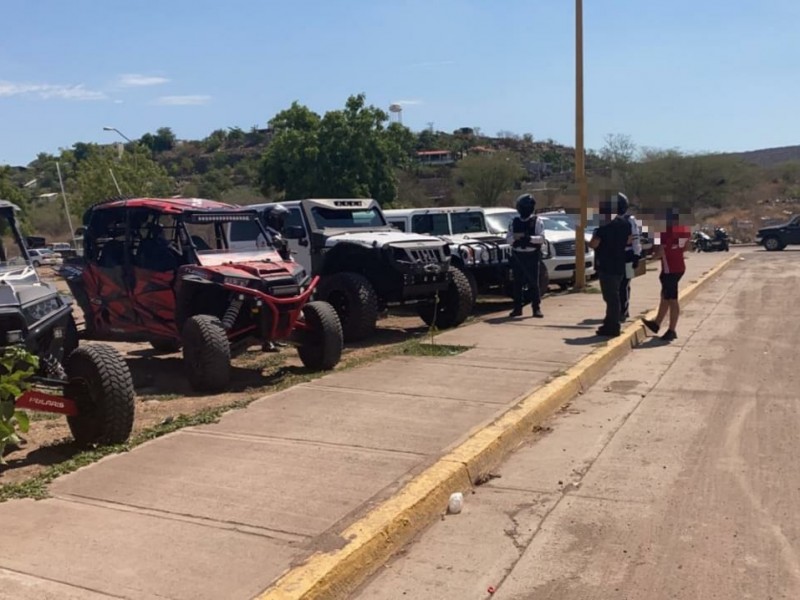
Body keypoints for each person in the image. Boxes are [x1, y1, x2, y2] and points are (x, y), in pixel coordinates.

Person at [641, 207, 691, 342]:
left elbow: (659, 251)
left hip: (669, 269)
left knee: (672, 299)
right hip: (679, 266)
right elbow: (686, 247)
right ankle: (656, 323)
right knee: (665, 296)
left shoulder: (663, 233)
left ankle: (672, 330)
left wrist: (649, 260)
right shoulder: (684, 230)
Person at [589, 197, 632, 337]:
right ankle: (609, 322)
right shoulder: (625, 223)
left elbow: (594, 244)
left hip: (606, 265)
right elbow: (629, 240)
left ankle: (613, 326)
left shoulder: (604, 225)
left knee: (610, 297)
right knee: (617, 293)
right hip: (621, 263)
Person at [506, 193, 545, 318]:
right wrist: (516, 240)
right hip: (518, 256)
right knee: (517, 283)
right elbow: (508, 239)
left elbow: (541, 238)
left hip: (532, 255)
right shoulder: (514, 221)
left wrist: (528, 238)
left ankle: (536, 308)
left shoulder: (537, 221)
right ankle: (517, 308)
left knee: (534, 283)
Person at [616, 193, 642, 321]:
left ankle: (623, 310)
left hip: (628, 255)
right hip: (615, 256)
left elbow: (636, 240)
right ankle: (618, 309)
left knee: (624, 285)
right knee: (616, 285)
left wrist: (636, 255)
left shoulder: (630, 220)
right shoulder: (609, 220)